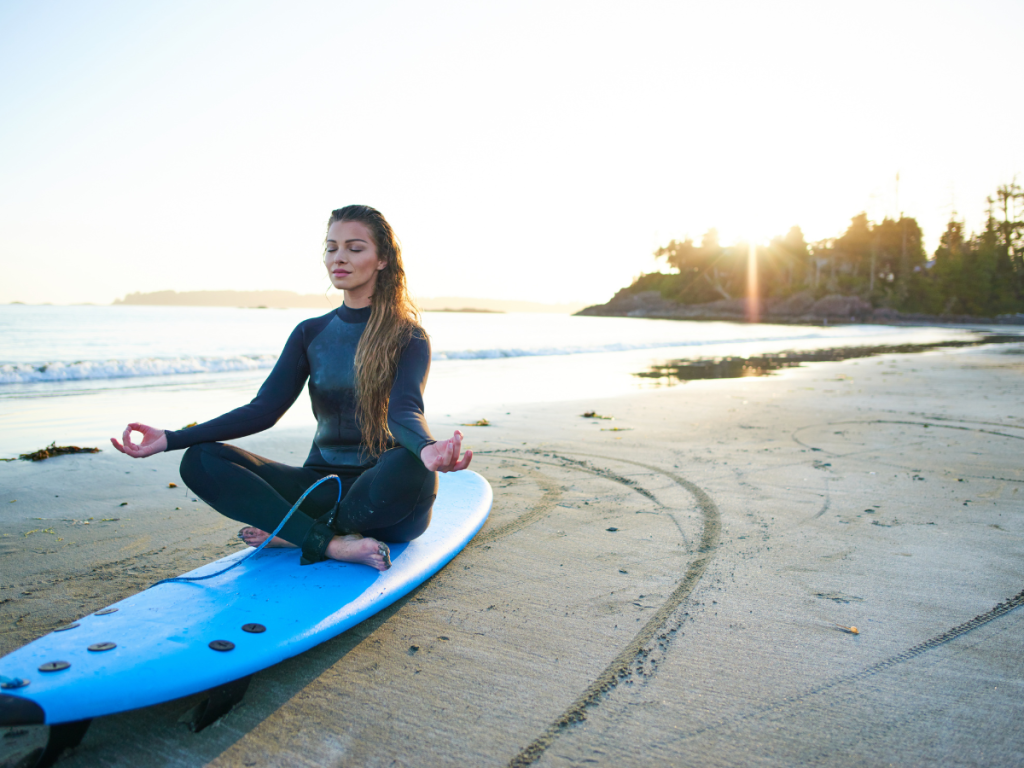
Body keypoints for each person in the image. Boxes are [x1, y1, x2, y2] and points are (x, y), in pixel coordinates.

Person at [111, 205, 471, 571]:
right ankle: (329, 542)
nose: (339, 258)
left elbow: (404, 410)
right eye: (332, 248)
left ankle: (296, 532)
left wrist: (425, 449)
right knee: (201, 460)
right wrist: (172, 438)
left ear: (382, 260)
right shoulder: (310, 333)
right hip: (320, 486)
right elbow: (263, 410)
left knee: (408, 464)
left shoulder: (407, 336)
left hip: (384, 496)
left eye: (355, 248)